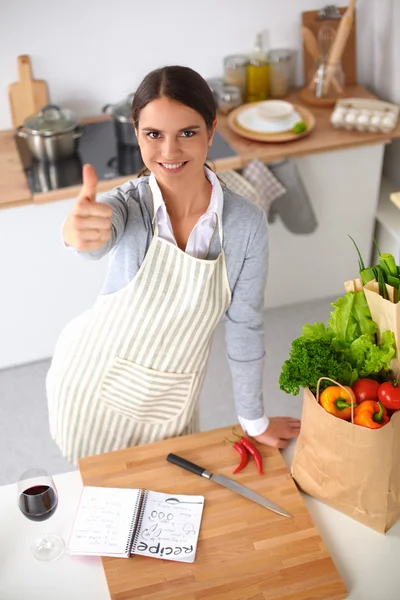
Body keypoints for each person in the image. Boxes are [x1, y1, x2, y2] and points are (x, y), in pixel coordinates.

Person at [46, 65, 300, 465]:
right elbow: (93, 241)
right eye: (153, 134)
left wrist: (253, 420)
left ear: (211, 131)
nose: (169, 151)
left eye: (187, 132)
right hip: (91, 382)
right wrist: (75, 233)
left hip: (171, 398)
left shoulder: (244, 224)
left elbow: (245, 323)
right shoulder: (127, 206)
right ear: (136, 134)